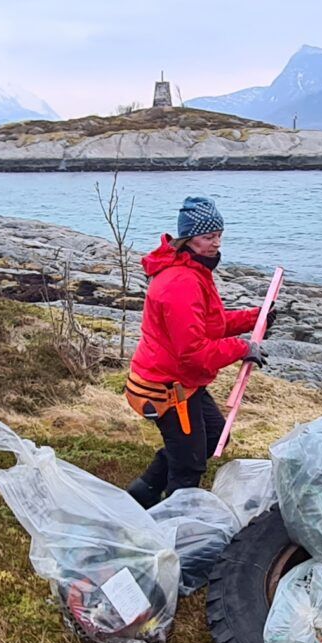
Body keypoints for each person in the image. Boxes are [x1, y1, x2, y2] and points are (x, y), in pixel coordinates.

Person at [124, 195, 265, 507]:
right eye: (208, 237)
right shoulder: (180, 283)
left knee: (214, 437)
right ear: (187, 238)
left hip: (184, 383)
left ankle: (139, 496)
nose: (216, 243)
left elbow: (210, 325)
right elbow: (195, 352)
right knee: (188, 467)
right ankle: (173, 527)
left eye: (219, 235)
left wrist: (255, 318)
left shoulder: (193, 270)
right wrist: (242, 348)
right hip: (166, 389)